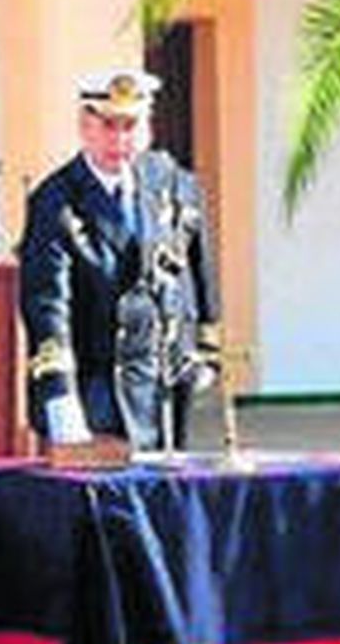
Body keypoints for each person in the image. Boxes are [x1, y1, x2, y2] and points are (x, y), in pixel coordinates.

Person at [18, 68, 221, 451]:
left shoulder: (172, 182)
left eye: (131, 126)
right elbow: (47, 303)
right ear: (84, 126)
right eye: (108, 126)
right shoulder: (56, 200)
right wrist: (60, 394)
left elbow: (198, 266)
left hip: (163, 386)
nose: (120, 140)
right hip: (94, 389)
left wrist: (207, 351)